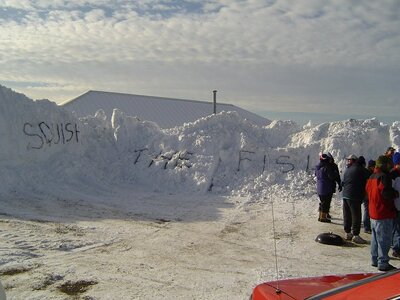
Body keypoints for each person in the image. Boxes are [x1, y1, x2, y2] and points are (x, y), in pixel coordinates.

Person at [366, 155, 399, 271]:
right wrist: (395, 193)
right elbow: (386, 194)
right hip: (383, 212)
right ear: (384, 165)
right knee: (384, 239)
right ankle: (383, 262)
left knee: (375, 238)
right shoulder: (384, 177)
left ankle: (375, 260)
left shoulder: (371, 176)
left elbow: (367, 191)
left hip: (373, 212)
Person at [342, 154, 368, 244]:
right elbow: (369, 178)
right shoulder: (361, 169)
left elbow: (343, 182)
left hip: (345, 195)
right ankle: (356, 235)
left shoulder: (348, 169)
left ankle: (348, 232)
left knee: (347, 214)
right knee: (356, 215)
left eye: (349, 160)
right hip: (354, 196)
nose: (348, 161)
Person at [315, 153, 341, 223]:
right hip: (326, 188)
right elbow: (332, 176)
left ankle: (320, 216)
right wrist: (335, 173)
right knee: (325, 204)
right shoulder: (326, 167)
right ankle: (323, 218)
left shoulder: (318, 167)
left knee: (322, 203)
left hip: (320, 188)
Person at [390, 152, 400, 257]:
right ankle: (396, 248)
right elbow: (389, 191)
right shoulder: (392, 174)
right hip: (394, 206)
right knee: (396, 228)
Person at [362, 159, 375, 234]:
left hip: (366, 194)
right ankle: (367, 227)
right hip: (367, 194)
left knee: (367, 210)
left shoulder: (367, 172)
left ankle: (367, 226)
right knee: (367, 210)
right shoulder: (369, 174)